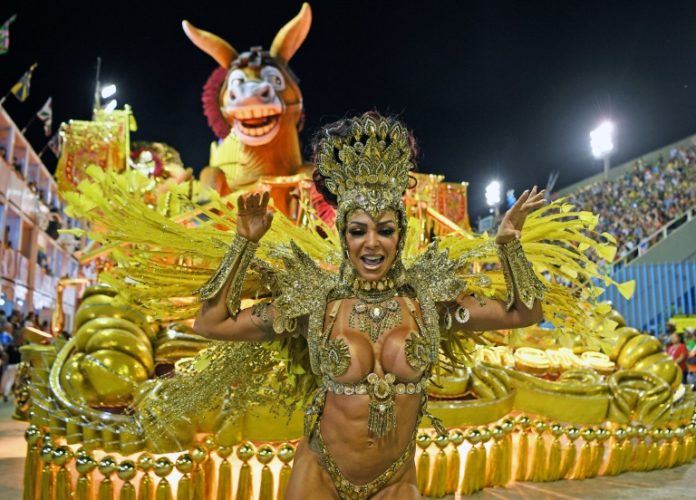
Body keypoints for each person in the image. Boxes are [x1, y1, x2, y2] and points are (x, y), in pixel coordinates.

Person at [191, 113, 546, 499]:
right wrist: (244, 243)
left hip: (394, 482)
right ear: (344, 235)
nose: (372, 244)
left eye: (385, 230)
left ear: (401, 234)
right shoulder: (316, 303)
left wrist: (509, 243)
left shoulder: (428, 301)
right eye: (359, 231)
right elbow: (211, 323)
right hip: (319, 475)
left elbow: (524, 313)